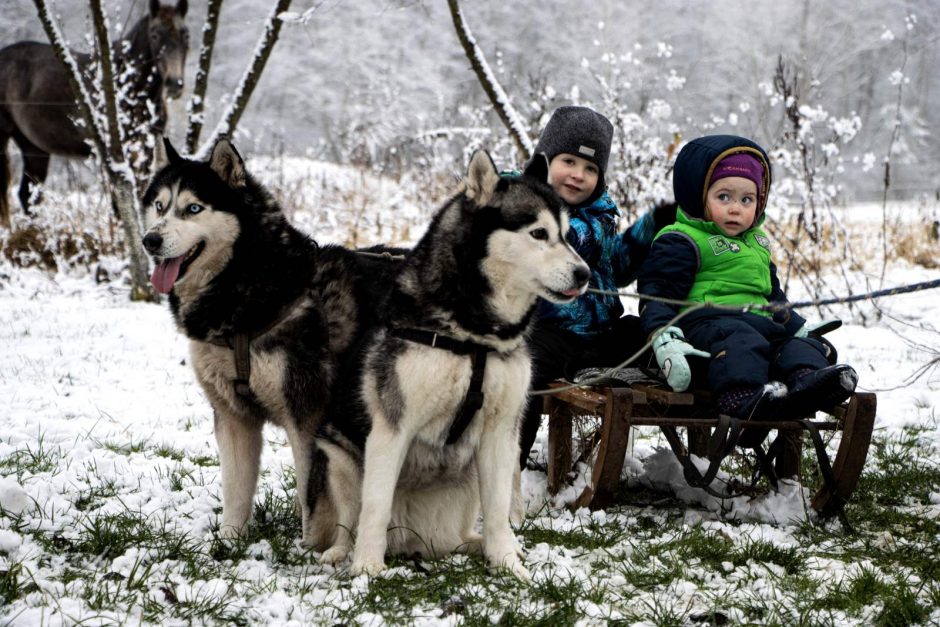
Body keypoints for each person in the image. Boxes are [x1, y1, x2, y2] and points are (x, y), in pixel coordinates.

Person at [637, 134, 857, 424]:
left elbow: (772, 296)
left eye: (747, 199)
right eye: (723, 197)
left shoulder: (757, 244)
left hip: (756, 323)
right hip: (706, 328)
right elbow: (658, 293)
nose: (735, 208)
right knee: (743, 339)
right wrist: (663, 336)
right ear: (697, 196)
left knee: (793, 346)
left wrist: (798, 328)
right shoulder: (682, 239)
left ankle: (808, 381)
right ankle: (740, 396)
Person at [518, 105, 674, 468]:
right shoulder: (522, 208)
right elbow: (575, 241)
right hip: (546, 330)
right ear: (546, 160)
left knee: (651, 333)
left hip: (600, 333)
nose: (578, 175)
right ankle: (511, 464)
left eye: (590, 168)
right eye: (568, 162)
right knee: (524, 373)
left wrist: (647, 229)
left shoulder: (601, 214)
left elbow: (613, 269)